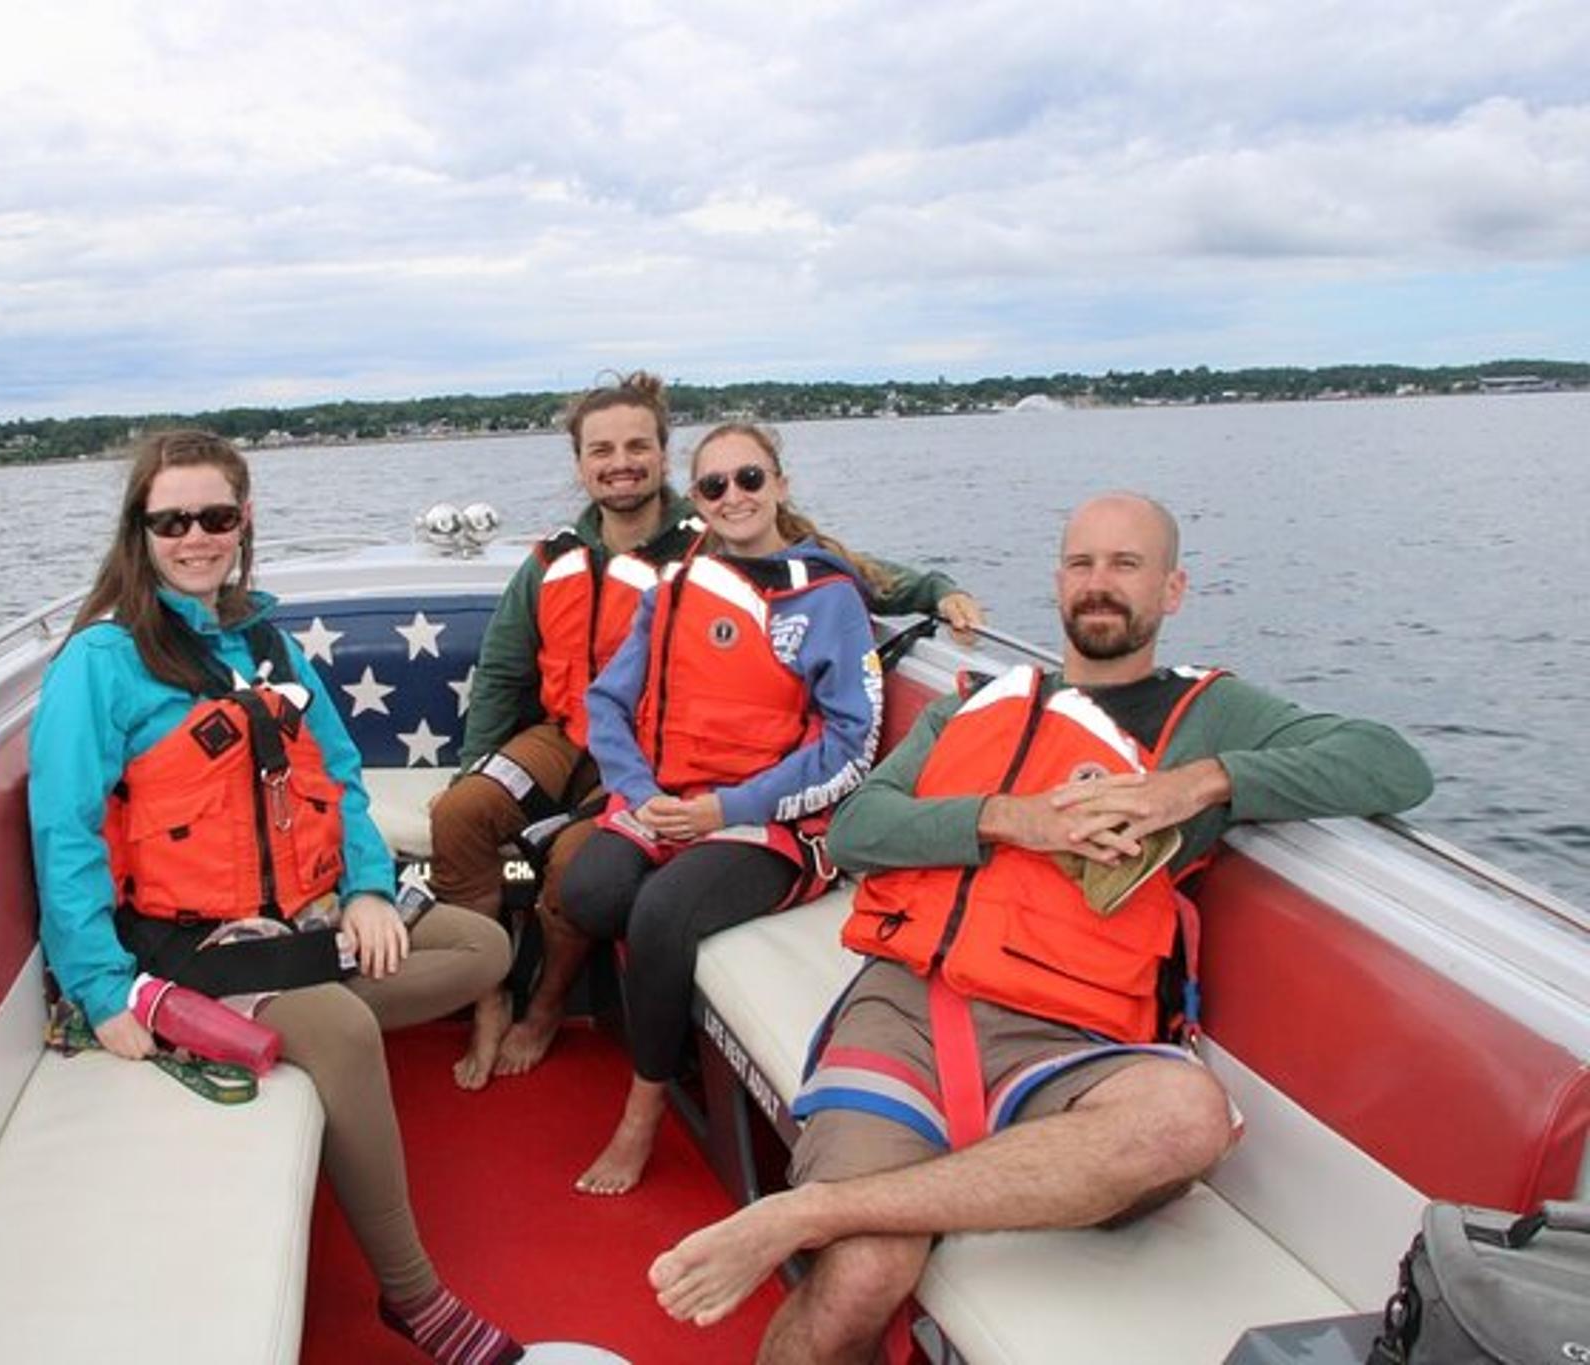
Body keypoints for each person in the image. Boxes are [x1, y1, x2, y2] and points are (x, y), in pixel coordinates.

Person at [646, 491, 1434, 1364]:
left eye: (1126, 566)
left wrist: (1200, 783)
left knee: (1187, 1116)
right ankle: (859, 1221)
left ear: (1172, 590)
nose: (1101, 585)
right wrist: (1012, 820)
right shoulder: (970, 707)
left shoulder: (1212, 714)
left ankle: (810, 1210)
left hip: (1072, 1037)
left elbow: (1394, 764)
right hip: (909, 1009)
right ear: (1058, 581)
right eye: (1083, 564)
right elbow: (863, 828)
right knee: (865, 1274)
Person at [28, 429, 522, 1365]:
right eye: (171, 519)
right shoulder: (101, 662)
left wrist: (367, 890)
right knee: (340, 1028)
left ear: (242, 520)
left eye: (215, 516)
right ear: (140, 530)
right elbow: (65, 834)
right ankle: (414, 1296)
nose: (195, 536)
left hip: (299, 914)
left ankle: (298, 989)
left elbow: (335, 775)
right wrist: (98, 989)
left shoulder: (267, 642)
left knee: (481, 948)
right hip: (177, 946)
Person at [433, 373, 984, 1088]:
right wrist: (478, 764)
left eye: (638, 445)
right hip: (567, 732)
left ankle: (544, 1008)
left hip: (656, 756)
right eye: (601, 449)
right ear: (579, 464)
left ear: (664, 457)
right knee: (458, 816)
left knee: (576, 866)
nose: (620, 461)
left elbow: (835, 565)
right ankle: (487, 999)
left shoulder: (713, 541)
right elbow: (505, 670)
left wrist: (935, 588)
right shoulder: (550, 559)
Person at [558, 422, 894, 1196]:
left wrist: (724, 809)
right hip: (669, 801)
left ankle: (642, 1112)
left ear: (779, 482)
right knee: (589, 889)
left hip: (776, 820)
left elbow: (852, 745)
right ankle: (667, 1032)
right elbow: (607, 700)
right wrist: (641, 797)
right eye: (714, 486)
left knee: (662, 913)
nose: (733, 496)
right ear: (697, 500)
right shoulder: (676, 585)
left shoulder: (824, 596)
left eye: (749, 478)